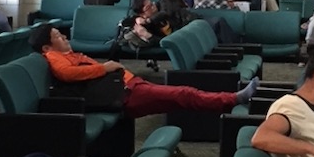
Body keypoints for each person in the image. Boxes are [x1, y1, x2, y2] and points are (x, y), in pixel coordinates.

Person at [31, 24, 259, 120]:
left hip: (129, 86)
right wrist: (106, 67)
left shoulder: (65, 54)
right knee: (184, 94)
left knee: (181, 98)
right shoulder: (53, 57)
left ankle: (228, 100)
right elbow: (67, 75)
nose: (64, 38)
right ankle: (232, 100)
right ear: (46, 47)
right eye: (58, 37)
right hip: (124, 94)